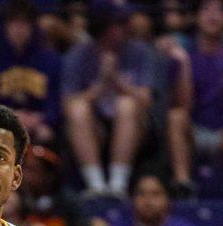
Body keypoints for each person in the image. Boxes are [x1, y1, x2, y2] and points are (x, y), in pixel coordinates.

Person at [61, 3, 156, 195]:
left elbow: (147, 100)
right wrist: (101, 84)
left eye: (124, 23)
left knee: (126, 104)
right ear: (102, 27)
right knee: (78, 109)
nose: (123, 28)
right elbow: (67, 105)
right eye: (117, 24)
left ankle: (117, 185)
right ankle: (96, 185)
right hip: (95, 127)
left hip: (137, 127)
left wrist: (119, 82)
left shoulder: (140, 51)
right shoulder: (79, 54)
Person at [165, 0, 223, 195]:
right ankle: (182, 185)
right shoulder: (184, 52)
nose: (212, 16)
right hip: (195, 129)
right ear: (196, 16)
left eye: (219, 10)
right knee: (176, 118)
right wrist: (184, 65)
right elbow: (184, 105)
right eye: (206, 9)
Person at [0, 0, 61, 145]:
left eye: (24, 24)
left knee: (49, 135)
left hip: (41, 125)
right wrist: (11, 117)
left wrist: (43, 120)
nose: (19, 29)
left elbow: (57, 99)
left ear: (33, 27)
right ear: (5, 27)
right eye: (14, 23)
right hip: (0, 124)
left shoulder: (50, 60)